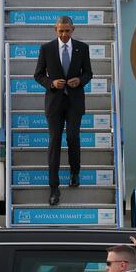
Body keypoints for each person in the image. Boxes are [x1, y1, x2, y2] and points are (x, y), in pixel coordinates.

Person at [33, 16, 93, 205]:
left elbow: (88, 73)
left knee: (73, 137)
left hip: (75, 102)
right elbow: (38, 75)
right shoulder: (46, 49)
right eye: (61, 31)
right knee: (55, 142)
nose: (64, 34)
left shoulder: (82, 48)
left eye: (67, 31)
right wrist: (51, 83)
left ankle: (75, 172)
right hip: (55, 103)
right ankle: (54, 188)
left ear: (73, 29)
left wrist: (80, 80)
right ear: (55, 30)